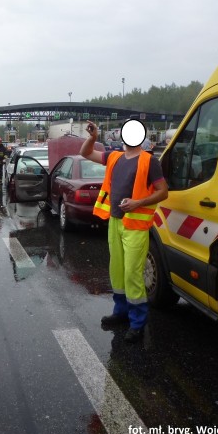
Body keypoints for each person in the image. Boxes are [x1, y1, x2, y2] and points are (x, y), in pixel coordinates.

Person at [80, 119, 168, 343]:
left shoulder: (150, 161)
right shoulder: (114, 156)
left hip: (136, 226)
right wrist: (92, 137)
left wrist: (138, 203)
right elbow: (86, 153)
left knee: (132, 274)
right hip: (115, 223)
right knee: (117, 272)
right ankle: (121, 313)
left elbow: (163, 192)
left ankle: (138, 322)